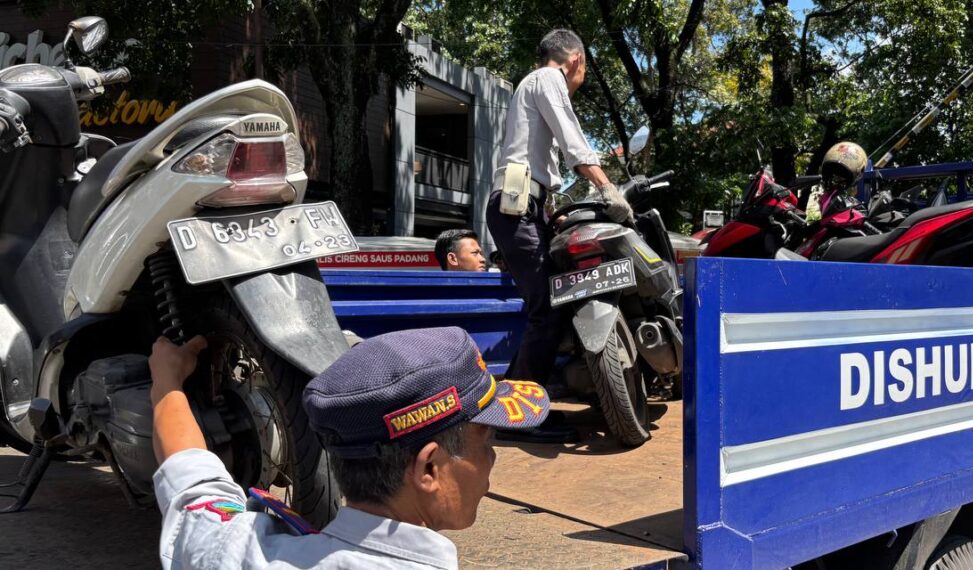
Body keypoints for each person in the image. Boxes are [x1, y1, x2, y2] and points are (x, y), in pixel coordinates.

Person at [150, 327, 550, 569]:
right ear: (428, 468)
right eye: (488, 440)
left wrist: (167, 380)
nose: (493, 459)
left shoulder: (241, 552)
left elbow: (194, 491)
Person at [485, 29, 632, 418]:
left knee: (548, 308)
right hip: (515, 206)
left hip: (524, 207)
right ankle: (519, 416)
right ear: (577, 61)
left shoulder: (530, 86)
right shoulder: (548, 79)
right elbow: (573, 141)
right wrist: (607, 189)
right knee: (548, 309)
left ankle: (514, 407)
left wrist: (551, 212)